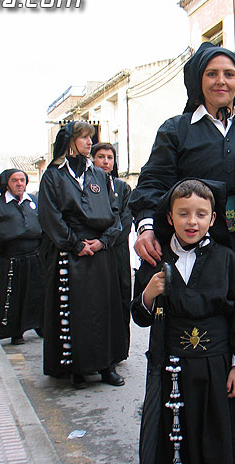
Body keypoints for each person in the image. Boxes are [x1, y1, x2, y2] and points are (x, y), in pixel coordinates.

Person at [129, 42, 235, 429]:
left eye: (229, 74)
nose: (221, 81)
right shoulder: (176, 130)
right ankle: (181, 430)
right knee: (190, 336)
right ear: (198, 81)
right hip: (193, 245)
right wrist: (144, 227)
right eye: (211, 73)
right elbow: (153, 182)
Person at [132, 178, 235, 464]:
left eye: (201, 214)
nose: (192, 222)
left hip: (218, 366)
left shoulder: (228, 260)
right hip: (171, 368)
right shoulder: (155, 260)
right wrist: (149, 293)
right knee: (175, 437)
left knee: (217, 437)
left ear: (213, 218)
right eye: (183, 213)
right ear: (169, 217)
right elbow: (140, 317)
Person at [38, 121, 128, 389]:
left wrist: (102, 242)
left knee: (105, 309)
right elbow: (49, 215)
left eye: (91, 138)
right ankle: (76, 368)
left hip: (100, 253)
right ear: (70, 142)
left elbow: (115, 215)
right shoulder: (54, 176)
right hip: (70, 253)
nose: (90, 142)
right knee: (75, 311)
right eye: (84, 138)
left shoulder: (100, 176)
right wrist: (75, 244)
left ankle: (106, 366)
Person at [0, 169, 45, 345]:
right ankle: (16, 332)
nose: (19, 184)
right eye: (15, 180)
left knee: (39, 293)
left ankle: (41, 325)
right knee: (14, 296)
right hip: (11, 259)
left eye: (22, 180)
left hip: (36, 256)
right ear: (6, 184)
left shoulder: (35, 202)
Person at [91, 143, 133, 353]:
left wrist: (106, 241)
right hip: (93, 254)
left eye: (110, 157)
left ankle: (119, 349)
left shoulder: (122, 187)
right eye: (101, 157)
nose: (106, 161)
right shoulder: (87, 186)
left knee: (121, 299)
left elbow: (125, 221)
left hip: (116, 252)